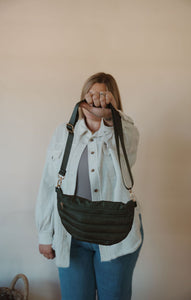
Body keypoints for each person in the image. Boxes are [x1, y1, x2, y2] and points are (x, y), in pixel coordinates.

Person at [36, 72, 144, 300]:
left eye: (103, 95)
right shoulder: (64, 133)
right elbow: (48, 183)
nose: (96, 99)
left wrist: (110, 114)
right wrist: (45, 233)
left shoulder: (124, 132)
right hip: (70, 232)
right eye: (91, 94)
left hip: (117, 234)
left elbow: (128, 140)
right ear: (82, 98)